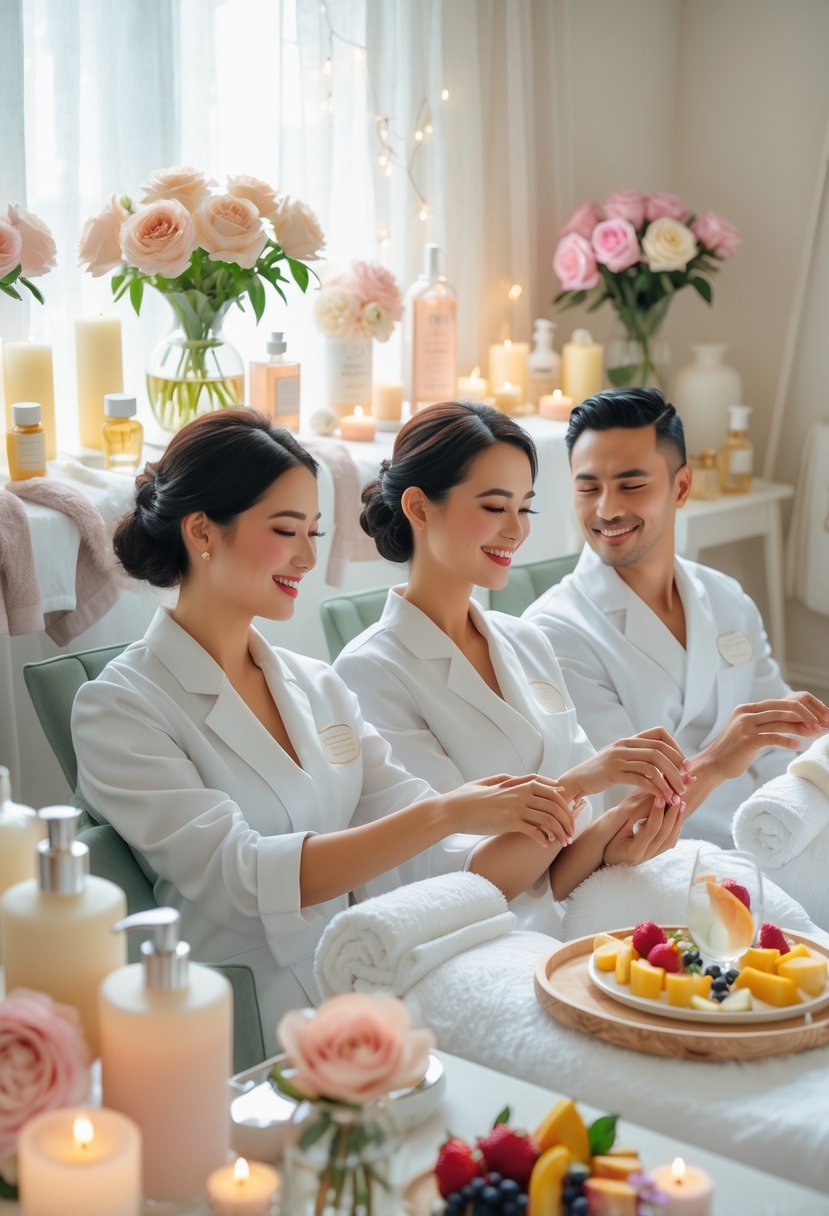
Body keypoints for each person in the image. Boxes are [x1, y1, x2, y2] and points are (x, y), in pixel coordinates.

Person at [71, 410, 581, 1027]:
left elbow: (440, 863)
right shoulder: (120, 707)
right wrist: (448, 810)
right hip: (247, 1015)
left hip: (376, 975)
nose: (305, 559)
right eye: (286, 530)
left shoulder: (317, 686)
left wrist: (561, 808)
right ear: (203, 531)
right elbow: (239, 877)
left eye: (313, 534)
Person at [334, 401, 689, 935]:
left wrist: (626, 827)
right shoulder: (369, 672)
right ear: (419, 507)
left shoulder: (525, 641)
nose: (516, 531)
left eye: (525, 509)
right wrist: (582, 780)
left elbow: (560, 867)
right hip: (465, 940)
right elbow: (461, 881)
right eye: (495, 507)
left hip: (563, 917)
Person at [523, 387, 829, 847]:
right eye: (588, 488)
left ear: (681, 486)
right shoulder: (552, 633)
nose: (607, 509)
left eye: (631, 485)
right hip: (659, 861)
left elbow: (784, 748)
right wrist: (724, 755)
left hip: (769, 833)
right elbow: (622, 812)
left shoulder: (727, 598)